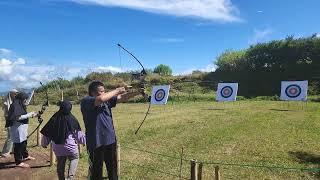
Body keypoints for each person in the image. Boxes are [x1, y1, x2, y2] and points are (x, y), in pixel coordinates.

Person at [81, 81, 147, 180]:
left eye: (104, 91)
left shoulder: (106, 100)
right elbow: (101, 99)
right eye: (101, 91)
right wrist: (117, 90)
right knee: (96, 172)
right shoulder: (87, 101)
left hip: (110, 141)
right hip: (95, 143)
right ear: (92, 93)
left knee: (112, 170)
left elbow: (122, 97)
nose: (104, 93)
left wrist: (138, 92)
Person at [41, 100, 86, 180]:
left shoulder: (54, 118)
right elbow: (78, 134)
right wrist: (83, 142)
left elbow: (47, 133)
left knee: (60, 163)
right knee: (74, 158)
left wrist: (44, 144)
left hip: (58, 148)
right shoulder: (72, 119)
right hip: (71, 148)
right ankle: (70, 177)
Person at [7, 92, 38, 168]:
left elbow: (23, 115)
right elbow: (17, 117)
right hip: (17, 128)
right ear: (21, 98)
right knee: (18, 145)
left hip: (22, 128)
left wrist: (32, 115)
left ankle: (25, 156)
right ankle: (18, 162)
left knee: (24, 142)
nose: (26, 101)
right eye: (25, 99)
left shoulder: (21, 104)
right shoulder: (14, 105)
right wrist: (29, 115)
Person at [1, 89, 19, 158]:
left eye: (16, 94)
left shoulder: (15, 101)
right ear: (11, 94)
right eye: (14, 94)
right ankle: (5, 152)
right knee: (10, 136)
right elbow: (8, 113)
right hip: (10, 121)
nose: (16, 95)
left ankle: (14, 149)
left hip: (14, 120)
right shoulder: (7, 103)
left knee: (15, 135)